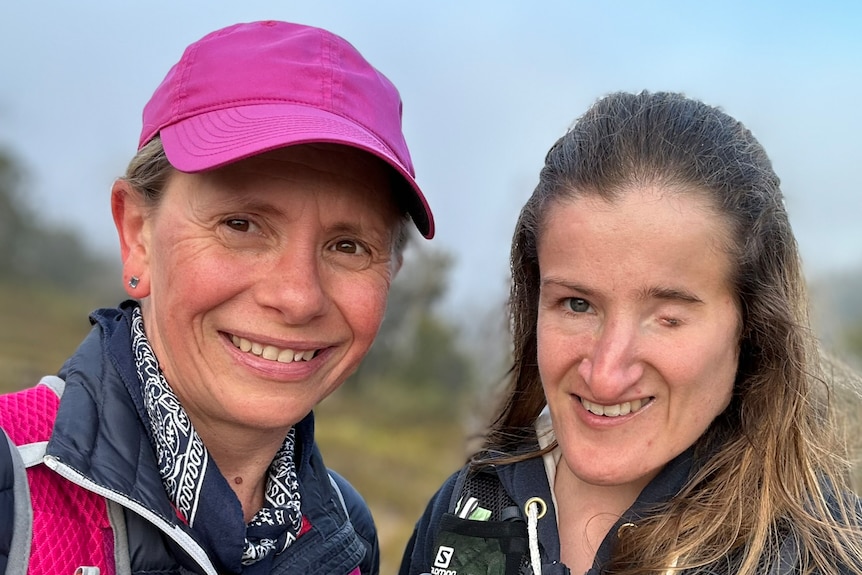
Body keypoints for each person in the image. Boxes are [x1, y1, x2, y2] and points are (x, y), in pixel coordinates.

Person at [0, 20, 434, 575]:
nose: (298, 297)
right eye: (241, 224)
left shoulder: (344, 537)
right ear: (138, 235)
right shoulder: (11, 486)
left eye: (348, 245)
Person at [399, 91, 862, 575]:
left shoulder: (826, 558)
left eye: (667, 318)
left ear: (751, 329)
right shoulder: (463, 510)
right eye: (577, 305)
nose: (605, 375)